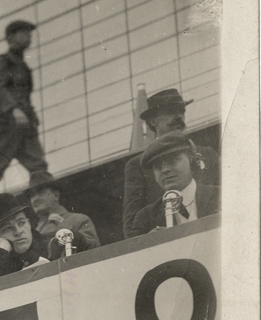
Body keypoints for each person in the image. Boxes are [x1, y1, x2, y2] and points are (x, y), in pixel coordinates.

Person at [123, 88, 220, 237]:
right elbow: (132, 226)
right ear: (153, 121)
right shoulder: (137, 165)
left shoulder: (208, 153)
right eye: (171, 111)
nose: (179, 116)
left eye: (181, 111)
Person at [0, 20, 48, 201]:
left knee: (38, 165)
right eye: (24, 33)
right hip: (7, 123)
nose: (28, 37)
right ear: (11, 37)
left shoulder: (23, 66)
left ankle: (43, 199)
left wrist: (29, 117)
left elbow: (26, 95)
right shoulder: (3, 61)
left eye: (29, 34)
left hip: (25, 123)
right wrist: (14, 109)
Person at [129, 132, 221, 236]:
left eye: (173, 161)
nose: (165, 170)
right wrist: (148, 242)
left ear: (191, 161)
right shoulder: (145, 217)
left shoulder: (221, 195)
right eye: (158, 166)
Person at [25, 172, 100, 259]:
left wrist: (66, 231)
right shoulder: (34, 231)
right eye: (32, 195)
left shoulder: (79, 220)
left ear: (56, 195)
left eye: (41, 192)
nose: (35, 198)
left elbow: (95, 252)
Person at [0, 193, 48, 282]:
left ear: (29, 223)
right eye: (8, 228)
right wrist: (2, 248)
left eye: (21, 223)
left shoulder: (52, 246)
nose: (18, 231)